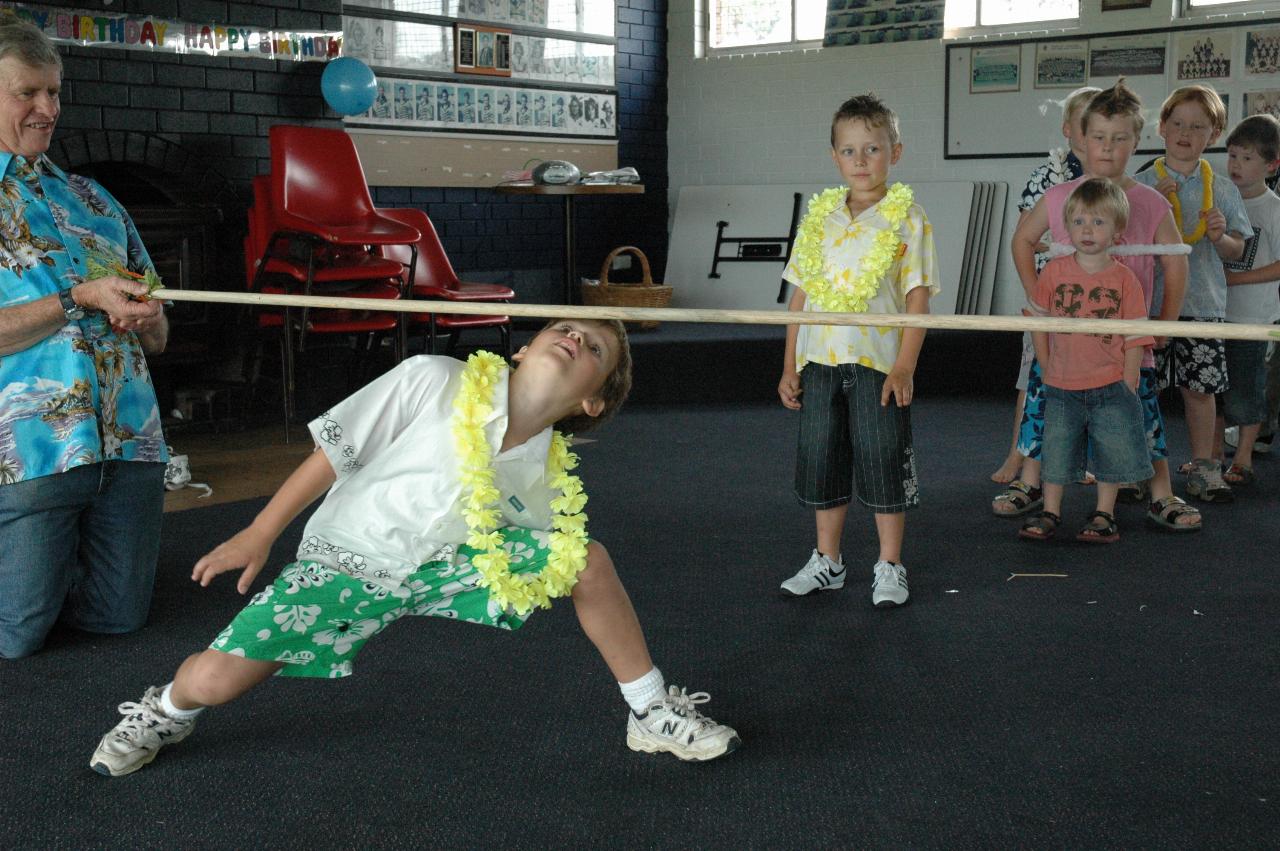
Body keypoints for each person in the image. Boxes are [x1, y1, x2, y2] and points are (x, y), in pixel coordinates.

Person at [90, 320, 740, 776]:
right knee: (214, 679)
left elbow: (538, 548)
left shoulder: (548, 477)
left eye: (592, 345)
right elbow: (333, 453)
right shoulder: (434, 378)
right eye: (562, 327)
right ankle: (164, 711)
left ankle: (650, 707)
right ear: (522, 350)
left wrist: (550, 569)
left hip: (446, 568)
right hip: (347, 558)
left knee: (586, 559)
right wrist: (261, 532)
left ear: (592, 399)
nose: (572, 336)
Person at [0, 18, 170, 659]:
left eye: (54, 93)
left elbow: (159, 334)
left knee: (117, 620)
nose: (47, 110)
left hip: (129, 446)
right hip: (32, 455)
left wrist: (149, 318)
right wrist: (76, 298)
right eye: (27, 94)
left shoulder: (94, 200)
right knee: (19, 636)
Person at [1013, 79, 1201, 533]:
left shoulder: (1152, 202)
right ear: (1081, 137)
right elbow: (1022, 239)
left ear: (1137, 141)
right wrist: (1039, 302)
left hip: (1125, 346)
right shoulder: (1061, 197)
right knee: (1047, 418)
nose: (1107, 148)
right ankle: (1034, 486)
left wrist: (1164, 325)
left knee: (1141, 418)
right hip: (1063, 347)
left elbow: (1176, 265)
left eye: (1120, 139)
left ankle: (1160, 494)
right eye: (1098, 137)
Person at [776, 94, 939, 606]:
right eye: (849, 151)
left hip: (877, 363)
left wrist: (905, 364)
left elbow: (917, 296)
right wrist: (789, 364)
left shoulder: (907, 217)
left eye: (873, 148)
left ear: (896, 151)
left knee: (882, 454)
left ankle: (890, 564)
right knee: (822, 456)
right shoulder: (819, 217)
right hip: (819, 361)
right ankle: (828, 560)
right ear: (834, 157)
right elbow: (798, 296)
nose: (861, 161)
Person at [1018, 179, 1155, 543]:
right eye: (1079, 222)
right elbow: (1038, 324)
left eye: (1098, 222)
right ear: (1067, 227)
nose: (1087, 231)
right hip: (1062, 383)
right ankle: (1050, 511)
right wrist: (1045, 366)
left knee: (1112, 451)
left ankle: (1104, 514)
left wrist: (1128, 381)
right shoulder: (1054, 272)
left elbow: (1135, 336)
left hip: (1111, 383)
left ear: (1118, 231)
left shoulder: (1126, 280)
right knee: (1057, 449)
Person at [1134, 85, 1250, 503]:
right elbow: (1125, 244)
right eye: (1178, 124)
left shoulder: (1222, 189)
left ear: (1214, 134)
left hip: (1202, 307)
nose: (1186, 133)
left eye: (1198, 126)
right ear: (1161, 128)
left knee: (1201, 391)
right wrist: (1152, 212)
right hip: (1148, 307)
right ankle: (1137, 468)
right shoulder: (1140, 185)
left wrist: (1220, 237)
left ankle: (1205, 467)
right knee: (1141, 388)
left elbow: (1237, 252)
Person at [992, 85, 1100, 497]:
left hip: (1094, 299)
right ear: (1068, 130)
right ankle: (1019, 454)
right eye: (1084, 125)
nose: (1093, 136)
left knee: (1090, 380)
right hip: (1049, 295)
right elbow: (1027, 235)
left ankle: (1077, 458)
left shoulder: (1110, 179)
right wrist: (1037, 290)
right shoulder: (1047, 176)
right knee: (1033, 377)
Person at [1219, 114, 1280, 484]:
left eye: (1247, 158)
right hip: (1215, 311)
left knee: (1247, 388)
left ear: (1271, 165)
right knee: (1211, 387)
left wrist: (1237, 279)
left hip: (1253, 316)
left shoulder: (1273, 209)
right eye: (1233, 156)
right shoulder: (1222, 199)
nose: (1237, 165)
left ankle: (1243, 457)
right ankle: (1209, 456)